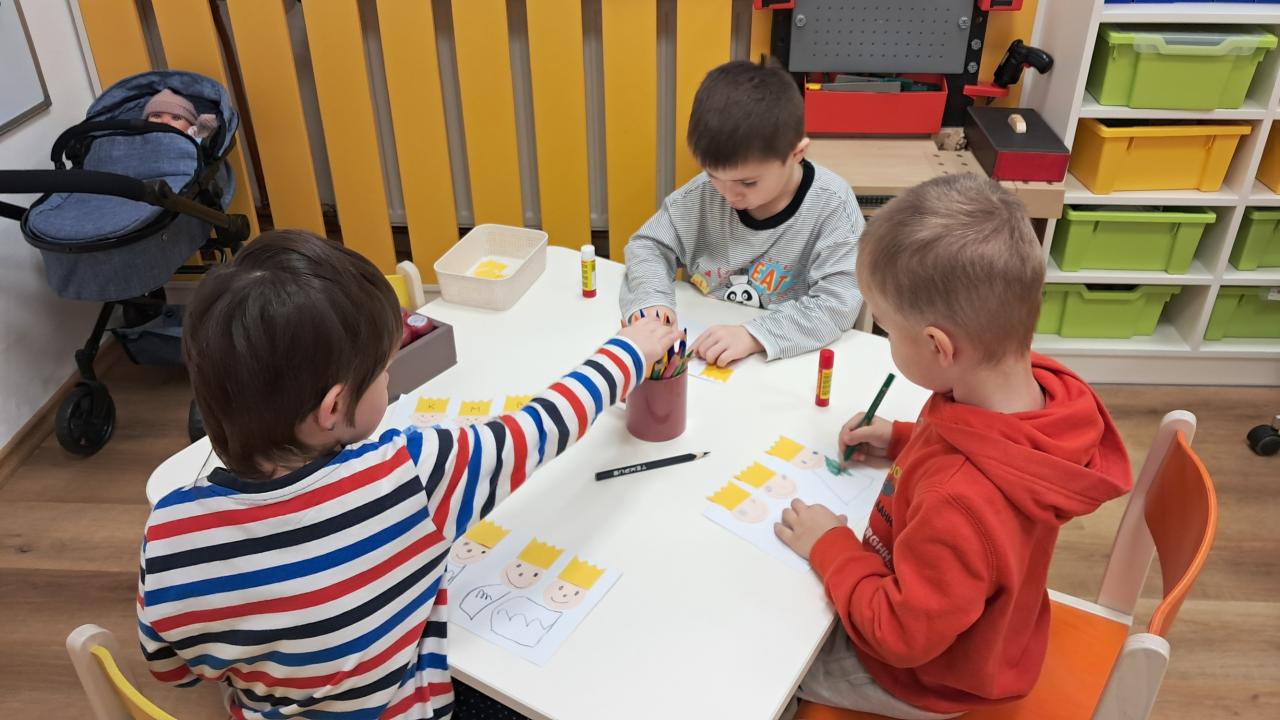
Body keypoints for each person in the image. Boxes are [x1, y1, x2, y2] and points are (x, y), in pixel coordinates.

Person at [136, 229, 680, 719]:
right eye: (384, 371)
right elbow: (540, 428)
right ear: (334, 407)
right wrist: (631, 350)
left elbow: (174, 673)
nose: (390, 381)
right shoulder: (407, 476)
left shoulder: (168, 532)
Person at [775, 174, 1133, 718]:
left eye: (887, 329)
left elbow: (898, 636)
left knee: (773, 665)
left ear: (938, 347)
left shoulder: (957, 499)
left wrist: (830, 546)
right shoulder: (1037, 397)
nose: (885, 340)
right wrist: (903, 440)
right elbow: (978, 454)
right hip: (992, 631)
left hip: (930, 677)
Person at [619, 60, 863, 366]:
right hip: (705, 350)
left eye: (747, 183)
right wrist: (652, 300)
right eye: (713, 176)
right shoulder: (705, 193)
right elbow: (649, 245)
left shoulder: (832, 205)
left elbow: (837, 304)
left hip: (785, 359)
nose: (728, 195)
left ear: (796, 153)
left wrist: (754, 335)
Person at [142, 88, 218, 140]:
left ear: (190, 125)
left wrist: (205, 126)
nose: (164, 122)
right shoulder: (140, 137)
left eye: (176, 118)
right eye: (156, 116)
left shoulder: (193, 137)